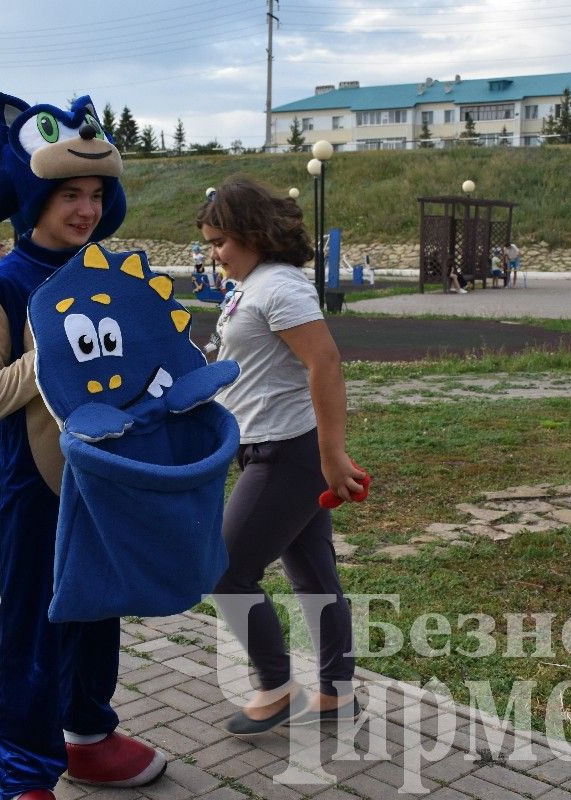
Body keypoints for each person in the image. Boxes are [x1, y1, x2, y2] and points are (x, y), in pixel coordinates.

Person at [0, 94, 165, 800]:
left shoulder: (104, 274)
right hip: (36, 486)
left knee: (96, 609)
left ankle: (88, 733)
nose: (84, 207)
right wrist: (44, 354)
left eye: (96, 193)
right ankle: (22, 769)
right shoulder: (2, 286)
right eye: (70, 193)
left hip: (104, 481)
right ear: (37, 193)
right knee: (33, 627)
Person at [196, 176, 367, 736]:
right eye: (210, 243)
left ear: (251, 233)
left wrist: (332, 455)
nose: (213, 254)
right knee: (314, 573)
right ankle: (337, 693)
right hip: (267, 446)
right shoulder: (254, 285)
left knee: (224, 569)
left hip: (286, 452)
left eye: (220, 241)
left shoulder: (279, 288)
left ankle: (275, 686)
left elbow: (326, 363)